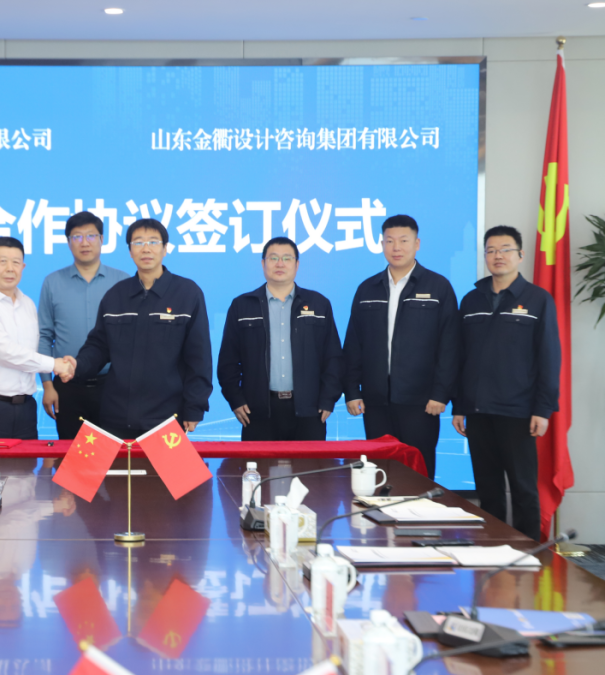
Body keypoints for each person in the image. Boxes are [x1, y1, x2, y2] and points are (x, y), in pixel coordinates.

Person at [453, 226, 560, 540]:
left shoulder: (538, 299)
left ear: (520, 255)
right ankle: (492, 549)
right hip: (478, 410)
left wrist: (542, 409)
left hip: (518, 412)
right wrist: (459, 406)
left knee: (523, 488)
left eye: (505, 249)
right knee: (488, 489)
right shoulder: (471, 300)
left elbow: (549, 357)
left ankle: (530, 553)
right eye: (491, 250)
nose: (497, 256)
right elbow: (460, 356)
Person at [342, 215, 459, 479]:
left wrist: (441, 394)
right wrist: (351, 391)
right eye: (390, 241)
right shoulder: (367, 288)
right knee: (379, 472)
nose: (396, 247)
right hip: (375, 401)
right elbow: (354, 344)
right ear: (382, 244)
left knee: (418, 472)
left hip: (422, 402)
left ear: (417, 244)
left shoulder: (438, 287)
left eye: (404, 241)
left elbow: (450, 345)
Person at [72, 219, 212, 439]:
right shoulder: (115, 295)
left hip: (167, 417)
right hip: (115, 415)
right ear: (130, 251)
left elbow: (199, 357)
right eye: (138, 242)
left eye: (153, 242)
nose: (146, 248)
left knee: (163, 465)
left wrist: (195, 406)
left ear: (165, 249)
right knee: (118, 464)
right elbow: (99, 346)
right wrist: (76, 365)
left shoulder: (188, 293)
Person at [217, 237, 342, 441]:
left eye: (287, 258)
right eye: (273, 258)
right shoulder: (242, 306)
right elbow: (228, 360)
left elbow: (333, 357)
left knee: (310, 463)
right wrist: (236, 399)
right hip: (258, 411)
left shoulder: (319, 304)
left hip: (309, 410)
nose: (280, 264)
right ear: (263, 264)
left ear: (297, 264)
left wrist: (328, 399)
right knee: (259, 462)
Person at [0, 236, 75, 439]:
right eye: (2, 261)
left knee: (27, 461)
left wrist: (63, 364)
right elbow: (3, 352)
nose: (10, 268)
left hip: (25, 409)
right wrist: (55, 365)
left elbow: (33, 350)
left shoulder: (27, 304)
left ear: (23, 267)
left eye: (15, 262)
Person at [38, 212, 129, 439]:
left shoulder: (123, 282)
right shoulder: (52, 282)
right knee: (70, 455)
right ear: (68, 242)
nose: (84, 242)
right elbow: (44, 336)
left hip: (113, 387)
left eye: (91, 235)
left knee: (114, 455)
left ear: (102, 239)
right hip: (67, 387)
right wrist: (47, 385)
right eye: (77, 236)